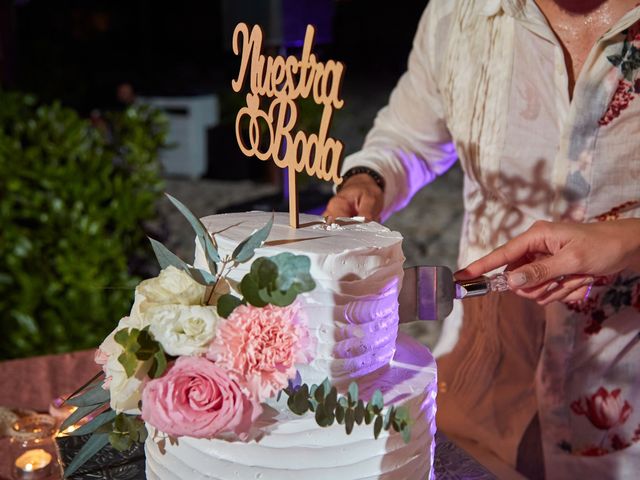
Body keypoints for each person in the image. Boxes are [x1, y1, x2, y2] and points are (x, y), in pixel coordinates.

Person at [323, 0, 640, 478]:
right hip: (480, 374)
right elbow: (409, 135)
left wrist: (630, 239)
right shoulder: (460, 12)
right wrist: (370, 178)